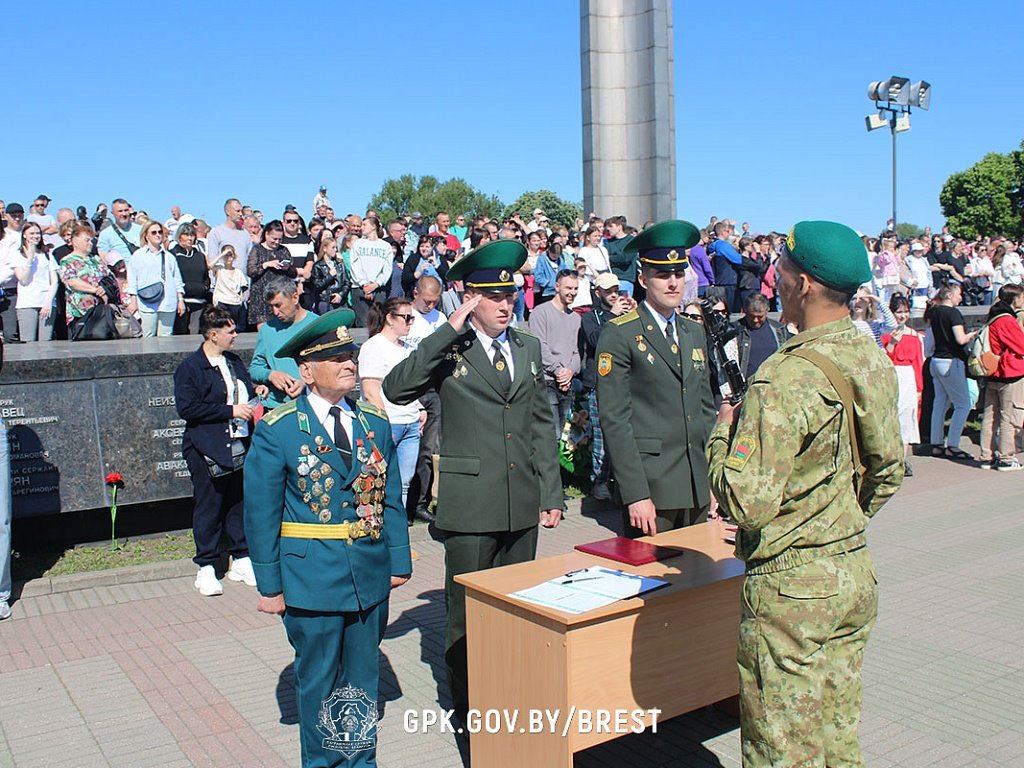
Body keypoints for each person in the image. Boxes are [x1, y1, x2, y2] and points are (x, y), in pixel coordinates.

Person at [707, 220, 904, 768]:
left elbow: (746, 502)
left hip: (792, 590)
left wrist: (724, 428)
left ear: (806, 284)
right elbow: (888, 470)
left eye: (783, 271)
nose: (775, 279)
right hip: (852, 570)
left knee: (782, 751)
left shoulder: (786, 376)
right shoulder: (869, 356)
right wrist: (836, 521)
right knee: (836, 738)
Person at [383, 239, 562, 720]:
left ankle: (513, 700)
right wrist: (446, 332)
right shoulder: (449, 347)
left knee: (519, 607)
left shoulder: (526, 346)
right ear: (469, 298)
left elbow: (540, 424)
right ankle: (470, 710)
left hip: (521, 500)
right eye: (493, 296)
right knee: (466, 617)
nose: (505, 305)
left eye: (510, 295)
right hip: (470, 505)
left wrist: (551, 491)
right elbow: (395, 388)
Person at [244, 309, 411, 768]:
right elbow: (260, 514)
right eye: (335, 357)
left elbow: (390, 497)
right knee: (318, 682)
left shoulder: (373, 422)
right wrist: (269, 586)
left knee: (360, 681)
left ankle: (360, 763)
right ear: (306, 370)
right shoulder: (279, 429)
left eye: (350, 355)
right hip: (311, 577)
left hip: (368, 573)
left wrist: (399, 561)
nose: (349, 364)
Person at [596, 220, 716, 536]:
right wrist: (635, 493)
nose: (673, 283)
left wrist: (713, 481)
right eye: (663, 275)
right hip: (652, 488)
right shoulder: (620, 334)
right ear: (643, 278)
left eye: (678, 274)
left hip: (696, 485)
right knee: (651, 583)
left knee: (699, 582)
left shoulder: (694, 331)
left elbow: (705, 412)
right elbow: (615, 421)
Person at [174, 307, 265, 596]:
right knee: (209, 505)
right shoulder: (191, 368)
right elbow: (187, 408)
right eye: (230, 331)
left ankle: (241, 557)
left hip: (240, 441)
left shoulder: (234, 361)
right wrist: (230, 410)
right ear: (213, 334)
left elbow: (241, 389)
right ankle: (207, 566)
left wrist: (256, 391)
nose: (235, 334)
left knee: (239, 501)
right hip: (207, 446)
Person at [358, 298, 424, 517]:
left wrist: (420, 407)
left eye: (412, 317)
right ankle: (379, 526)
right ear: (390, 318)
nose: (410, 322)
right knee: (381, 479)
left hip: (410, 421)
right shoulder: (373, 346)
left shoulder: (407, 347)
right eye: (406, 318)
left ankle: (399, 529)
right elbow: (370, 390)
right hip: (389, 422)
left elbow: (410, 385)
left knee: (404, 482)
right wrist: (383, 422)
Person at [579, 273, 635, 500]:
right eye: (608, 291)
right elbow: (595, 340)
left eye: (616, 290)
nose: (614, 294)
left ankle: (622, 481)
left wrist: (633, 314)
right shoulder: (591, 317)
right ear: (598, 292)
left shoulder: (626, 314)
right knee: (601, 435)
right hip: (598, 383)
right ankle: (599, 481)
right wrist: (612, 315)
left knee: (624, 434)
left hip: (624, 381)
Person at [404, 276, 447, 524]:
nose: (430, 306)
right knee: (408, 450)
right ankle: (404, 505)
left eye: (434, 301)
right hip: (410, 389)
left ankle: (420, 503)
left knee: (429, 451)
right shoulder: (406, 316)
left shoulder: (439, 319)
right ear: (415, 293)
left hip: (433, 390)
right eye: (426, 301)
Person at [249, 275, 319, 409]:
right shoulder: (267, 329)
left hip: (311, 405)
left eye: (278, 305)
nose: (275, 311)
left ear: (295, 297)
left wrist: (306, 382)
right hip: (275, 407)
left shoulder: (317, 325)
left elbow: (330, 367)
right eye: (271, 306)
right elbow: (255, 368)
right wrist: (270, 375)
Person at [927, 283, 976, 461]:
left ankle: (936, 442)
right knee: (963, 404)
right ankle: (953, 445)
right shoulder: (952, 313)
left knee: (940, 402)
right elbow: (960, 339)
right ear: (949, 294)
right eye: (958, 294)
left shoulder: (935, 312)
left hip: (936, 360)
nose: (960, 297)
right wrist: (973, 335)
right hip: (950, 361)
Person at [529, 269, 581, 438]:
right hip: (548, 381)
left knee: (567, 436)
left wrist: (570, 372)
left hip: (567, 383)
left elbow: (577, 351)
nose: (572, 293)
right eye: (568, 288)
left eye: (575, 288)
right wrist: (560, 372)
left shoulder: (576, 318)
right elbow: (539, 346)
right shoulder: (540, 312)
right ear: (557, 286)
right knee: (552, 434)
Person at [978, 284, 1024, 471]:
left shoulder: (993, 317)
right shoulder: (1006, 320)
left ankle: (986, 456)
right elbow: (1021, 345)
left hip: (993, 373)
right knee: (1009, 416)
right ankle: (1006, 458)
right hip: (1009, 373)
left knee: (990, 416)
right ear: (1015, 299)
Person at [881, 294, 925, 476]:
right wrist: (892, 344)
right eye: (899, 312)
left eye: (906, 312)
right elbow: (883, 359)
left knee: (907, 417)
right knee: (893, 416)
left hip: (908, 377)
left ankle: (902, 459)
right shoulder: (884, 334)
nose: (903, 316)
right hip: (893, 375)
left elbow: (917, 363)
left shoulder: (915, 335)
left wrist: (919, 389)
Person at [127, 221, 185, 338]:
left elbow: (177, 280)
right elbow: (133, 280)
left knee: (166, 337)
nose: (158, 235)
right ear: (146, 236)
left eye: (160, 232)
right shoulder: (138, 256)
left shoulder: (169, 257)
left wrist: (180, 300)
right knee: (148, 336)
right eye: (153, 232)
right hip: (147, 303)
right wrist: (133, 301)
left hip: (168, 301)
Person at [10, 221, 58, 342]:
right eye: (32, 233)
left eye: (38, 233)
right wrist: (30, 258)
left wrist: (48, 302)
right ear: (24, 235)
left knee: (45, 341)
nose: (35, 236)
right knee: (28, 342)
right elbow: (23, 279)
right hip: (27, 303)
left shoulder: (46, 254)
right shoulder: (17, 255)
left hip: (46, 303)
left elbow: (54, 281)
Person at [247, 220, 296, 329]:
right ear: (266, 234)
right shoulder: (257, 250)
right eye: (274, 239)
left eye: (280, 239)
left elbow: (293, 273)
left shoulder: (284, 250)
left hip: (280, 295)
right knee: (264, 330)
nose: (277, 242)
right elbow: (251, 271)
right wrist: (266, 265)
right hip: (261, 297)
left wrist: (287, 268)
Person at [733, 292, 791, 379]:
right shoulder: (735, 330)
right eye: (751, 316)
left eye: (760, 317)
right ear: (745, 311)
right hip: (747, 385)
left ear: (767, 311)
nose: (755, 320)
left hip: (773, 383)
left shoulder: (779, 330)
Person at [170, 223, 210, 335]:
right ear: (179, 236)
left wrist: (204, 287)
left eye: (192, 235)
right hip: (181, 303)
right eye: (186, 234)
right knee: (180, 334)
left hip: (199, 302)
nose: (189, 238)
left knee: (195, 334)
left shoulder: (199, 256)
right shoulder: (173, 254)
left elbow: (205, 277)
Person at [309, 235, 350, 314]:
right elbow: (316, 286)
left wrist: (341, 295)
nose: (335, 250)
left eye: (336, 247)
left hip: (340, 301)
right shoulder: (318, 266)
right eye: (333, 247)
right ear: (325, 248)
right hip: (325, 301)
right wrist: (329, 276)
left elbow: (346, 282)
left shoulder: (340, 264)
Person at [211, 245, 248, 329]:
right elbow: (210, 266)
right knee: (221, 325)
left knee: (233, 326)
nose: (228, 258)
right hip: (221, 300)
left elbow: (243, 287)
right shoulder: (220, 269)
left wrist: (240, 299)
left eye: (230, 255)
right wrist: (222, 254)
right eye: (226, 255)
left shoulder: (238, 272)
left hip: (234, 302)